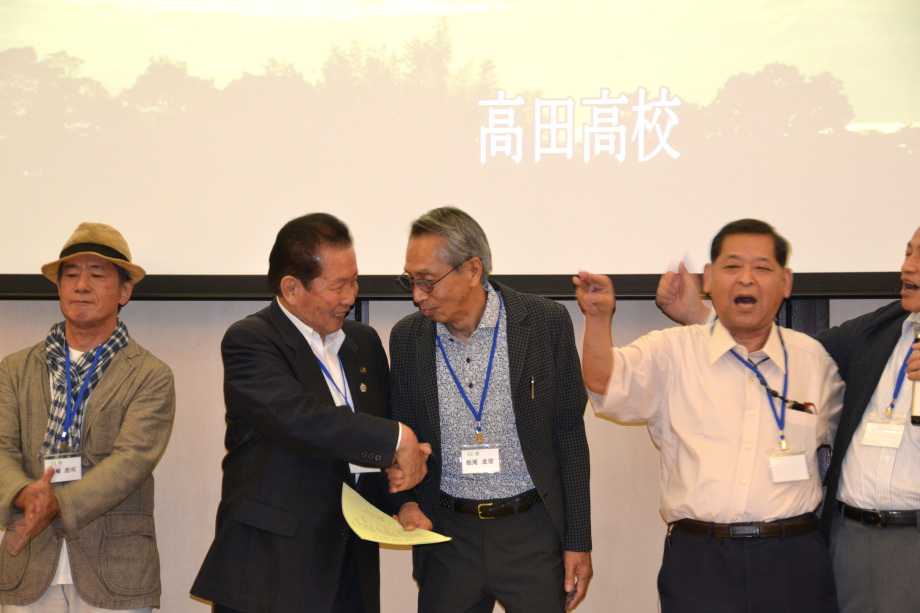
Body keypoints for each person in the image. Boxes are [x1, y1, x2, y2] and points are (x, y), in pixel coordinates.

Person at [576, 219, 844, 613]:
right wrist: (598, 318)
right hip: (700, 560)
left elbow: (849, 442)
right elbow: (604, 381)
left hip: (793, 560)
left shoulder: (813, 360)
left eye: (762, 267)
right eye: (732, 266)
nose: (746, 279)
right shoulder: (672, 352)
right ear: (708, 278)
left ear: (786, 282)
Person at [656, 224, 920, 613]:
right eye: (908, 252)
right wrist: (704, 316)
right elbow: (785, 354)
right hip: (853, 539)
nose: (907, 267)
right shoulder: (882, 326)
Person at [190, 213, 431, 613]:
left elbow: (369, 443)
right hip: (273, 569)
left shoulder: (364, 342)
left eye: (354, 281)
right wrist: (397, 439)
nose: (350, 297)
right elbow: (303, 421)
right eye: (337, 286)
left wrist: (403, 501)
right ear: (291, 288)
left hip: (351, 567)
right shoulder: (252, 341)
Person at [390, 207, 593, 612]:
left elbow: (569, 434)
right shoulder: (408, 338)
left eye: (428, 281)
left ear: (472, 269)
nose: (417, 296)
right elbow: (402, 435)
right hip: (447, 535)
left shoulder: (545, 323)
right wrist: (406, 501)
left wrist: (578, 541)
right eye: (411, 281)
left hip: (531, 529)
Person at [0, 222, 176, 612]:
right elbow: (1, 449)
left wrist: (57, 504)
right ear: (59, 287)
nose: (81, 286)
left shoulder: (151, 374)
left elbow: (131, 461)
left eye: (97, 275)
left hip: (115, 571)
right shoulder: (13, 369)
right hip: (27, 567)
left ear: (125, 291)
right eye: (71, 275)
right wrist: (23, 494)